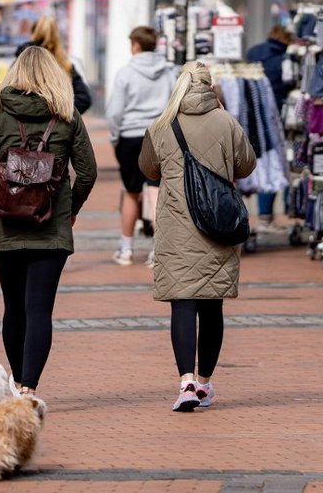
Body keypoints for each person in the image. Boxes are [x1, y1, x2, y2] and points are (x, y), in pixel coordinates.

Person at [0, 46, 98, 396]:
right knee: (39, 309)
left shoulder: (1, 110)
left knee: (13, 307)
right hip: (51, 228)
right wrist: (70, 208)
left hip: (7, 221)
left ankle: (17, 379)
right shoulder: (66, 113)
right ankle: (29, 387)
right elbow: (88, 172)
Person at [138, 61, 256, 412]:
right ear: (210, 86)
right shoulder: (226, 120)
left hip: (177, 227)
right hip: (218, 225)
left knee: (183, 302)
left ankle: (185, 381)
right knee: (212, 304)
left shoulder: (163, 124)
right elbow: (246, 165)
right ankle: (204, 383)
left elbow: (148, 167)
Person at [106, 26, 176, 267]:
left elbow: (115, 111)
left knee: (131, 192)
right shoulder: (168, 72)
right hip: (159, 135)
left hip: (130, 137)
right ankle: (158, 250)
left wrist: (116, 136)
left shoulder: (125, 73)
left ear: (135, 45)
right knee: (156, 192)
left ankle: (126, 249)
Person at [246, 25, 294, 230]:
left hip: (250, 114)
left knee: (256, 160)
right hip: (275, 115)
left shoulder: (253, 52)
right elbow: (288, 84)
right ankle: (266, 215)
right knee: (272, 162)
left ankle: (258, 213)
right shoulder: (284, 59)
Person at [15, 16, 92, 114]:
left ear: (33, 34)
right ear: (57, 36)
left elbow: (9, 94)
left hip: (24, 125)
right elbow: (84, 99)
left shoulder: (22, 60)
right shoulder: (65, 64)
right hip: (57, 126)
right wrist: (61, 112)